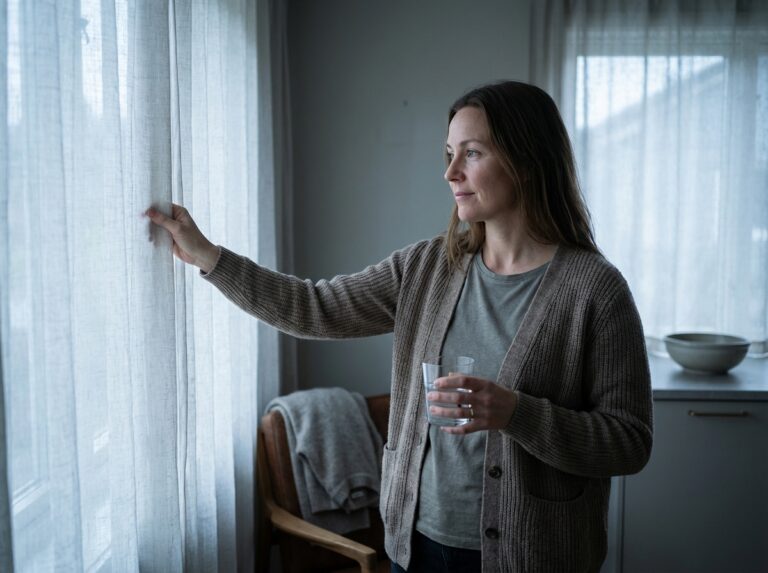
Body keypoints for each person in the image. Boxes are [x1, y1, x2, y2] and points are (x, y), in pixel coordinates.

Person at [146, 80, 653, 573]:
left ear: (526, 161)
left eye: (471, 153)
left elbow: (629, 441)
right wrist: (211, 258)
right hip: (416, 546)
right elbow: (313, 306)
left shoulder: (595, 291)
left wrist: (517, 413)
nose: (451, 172)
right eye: (448, 153)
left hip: (533, 554)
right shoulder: (428, 267)